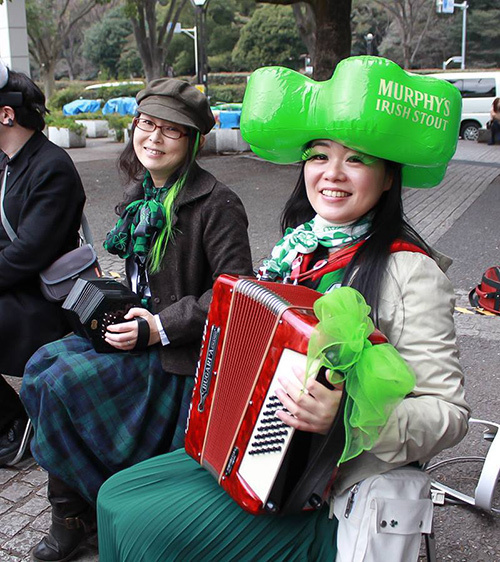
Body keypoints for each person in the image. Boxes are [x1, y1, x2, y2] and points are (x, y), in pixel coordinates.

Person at [96, 58, 470, 562]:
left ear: (387, 179)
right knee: (116, 497)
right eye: (318, 157)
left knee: (146, 532)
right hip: (251, 454)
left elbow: (449, 415)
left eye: (356, 160)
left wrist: (351, 415)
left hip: (326, 490)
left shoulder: (412, 272)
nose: (331, 174)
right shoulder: (294, 249)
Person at [20, 78, 253, 562]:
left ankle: (82, 513)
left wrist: (158, 326)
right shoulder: (138, 193)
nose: (154, 138)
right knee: (41, 365)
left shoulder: (218, 203)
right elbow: (141, 277)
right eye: (148, 124)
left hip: (179, 356)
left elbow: (236, 293)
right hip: (134, 331)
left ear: (195, 141)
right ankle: (77, 510)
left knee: (64, 383)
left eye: (172, 130)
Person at [0, 61, 85, 466]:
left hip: (45, 302)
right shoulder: (6, 162)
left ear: (6, 113)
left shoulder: (52, 167)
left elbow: (28, 254)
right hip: (12, 291)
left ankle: (14, 424)